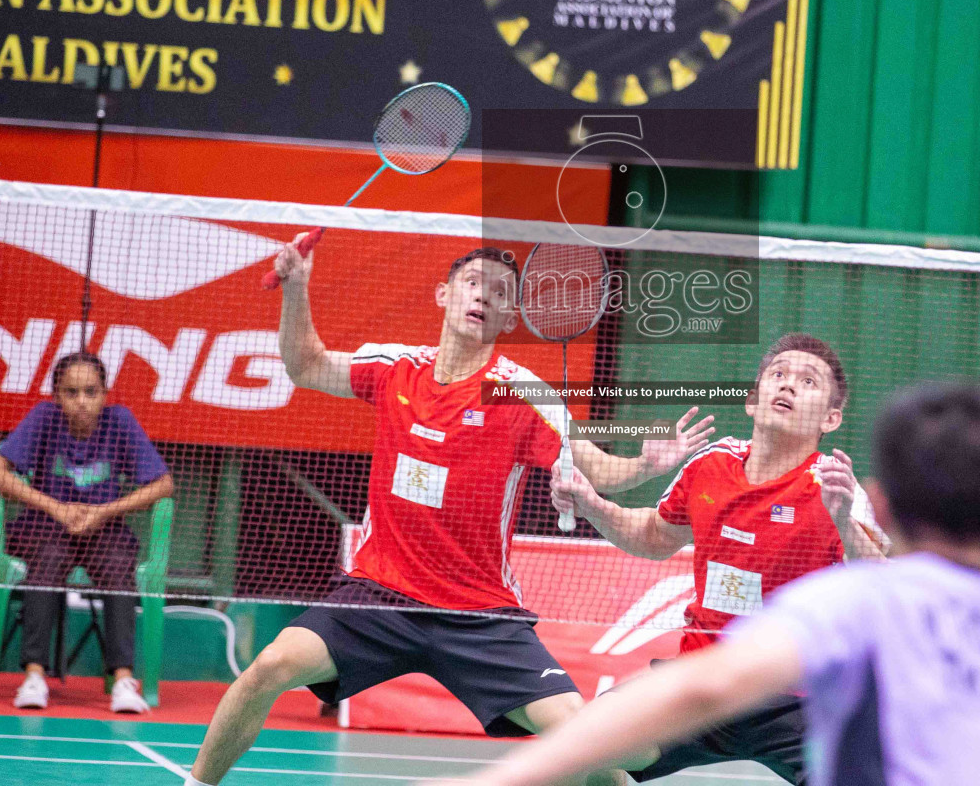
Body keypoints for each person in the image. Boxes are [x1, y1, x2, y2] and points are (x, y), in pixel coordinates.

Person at [185, 243, 711, 786]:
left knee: (582, 737)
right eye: (473, 282)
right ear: (444, 294)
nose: (485, 295)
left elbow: (594, 469)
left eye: (501, 293)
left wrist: (645, 464)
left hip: (479, 614)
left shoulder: (518, 394)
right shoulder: (395, 370)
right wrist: (296, 287)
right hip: (377, 597)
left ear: (509, 319)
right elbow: (307, 365)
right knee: (268, 668)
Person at [443, 384, 980, 786]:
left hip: (784, 709)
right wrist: (595, 503)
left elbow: (705, 687)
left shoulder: (852, 601)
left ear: (880, 504)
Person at [552, 332, 886, 785]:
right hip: (701, 684)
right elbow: (654, 536)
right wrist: (593, 503)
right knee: (584, 746)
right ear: (752, 400)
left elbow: (885, 582)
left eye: (807, 381)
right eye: (778, 375)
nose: (787, 386)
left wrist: (845, 521)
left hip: (796, 697)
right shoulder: (710, 466)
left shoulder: (834, 489)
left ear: (831, 418)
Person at [0, 351, 174, 714]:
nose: (82, 402)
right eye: (71, 392)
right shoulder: (44, 418)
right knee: (50, 560)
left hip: (103, 529)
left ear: (105, 393)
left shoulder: (120, 421)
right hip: (45, 528)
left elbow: (163, 485)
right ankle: (34, 676)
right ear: (57, 395)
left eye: (91, 392)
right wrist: (56, 508)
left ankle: (122, 680)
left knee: (119, 566)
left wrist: (103, 512)